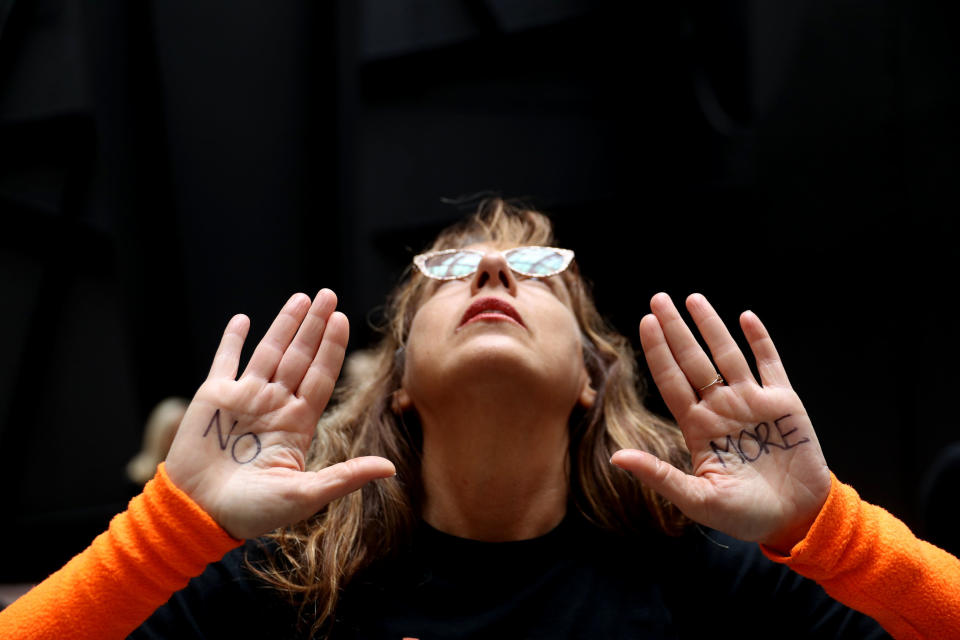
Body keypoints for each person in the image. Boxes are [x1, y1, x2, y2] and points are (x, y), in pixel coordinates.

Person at [1, 200, 958, 639]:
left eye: (543, 273)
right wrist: (170, 529)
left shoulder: (702, 583)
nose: (494, 273)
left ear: (590, 378)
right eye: (450, 273)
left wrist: (825, 528)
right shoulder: (288, 590)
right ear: (402, 380)